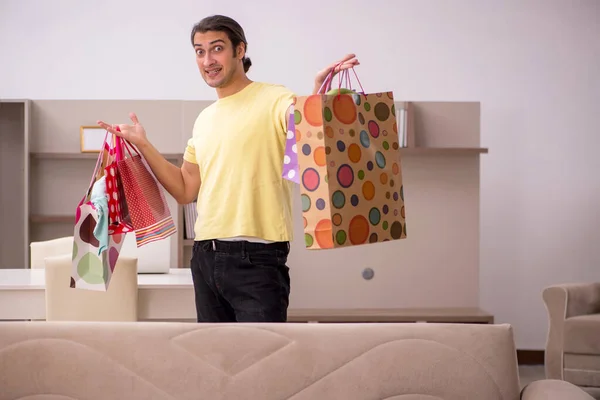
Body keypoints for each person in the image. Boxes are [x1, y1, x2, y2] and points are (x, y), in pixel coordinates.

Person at [98, 14, 359, 323]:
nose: (208, 59)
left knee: (262, 361)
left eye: (217, 48)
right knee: (216, 362)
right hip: (205, 257)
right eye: (199, 51)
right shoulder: (205, 119)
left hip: (258, 258)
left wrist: (317, 96)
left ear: (239, 50)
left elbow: (308, 133)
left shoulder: (275, 98)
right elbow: (185, 189)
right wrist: (143, 143)